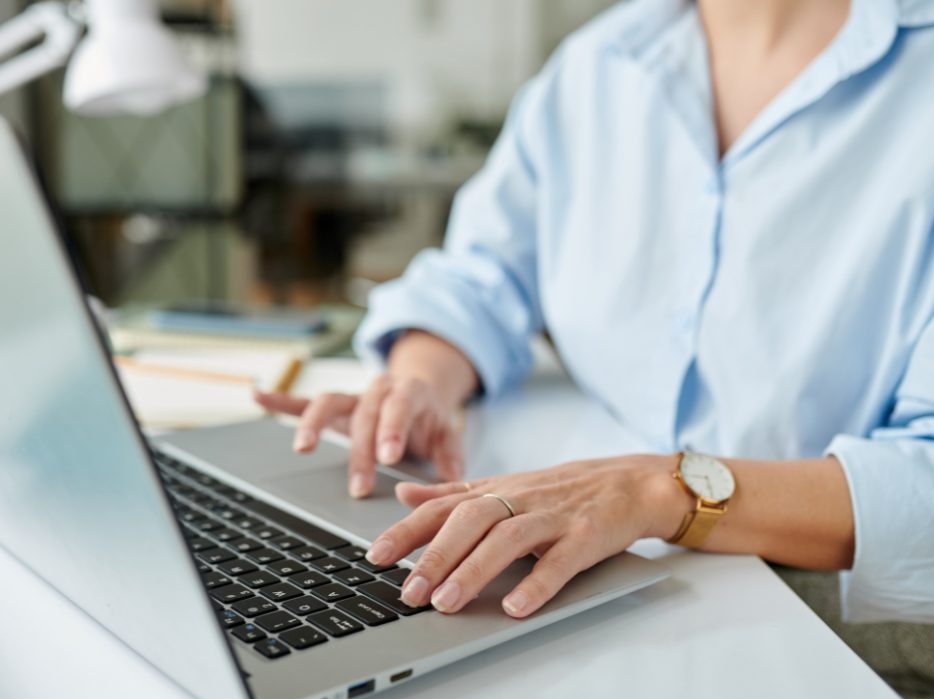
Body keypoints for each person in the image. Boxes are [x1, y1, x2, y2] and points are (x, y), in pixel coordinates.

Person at [256, 0, 934, 632]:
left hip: (838, 610)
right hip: (613, 564)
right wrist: (420, 382)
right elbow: (479, 276)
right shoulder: (603, 62)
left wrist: (659, 489)